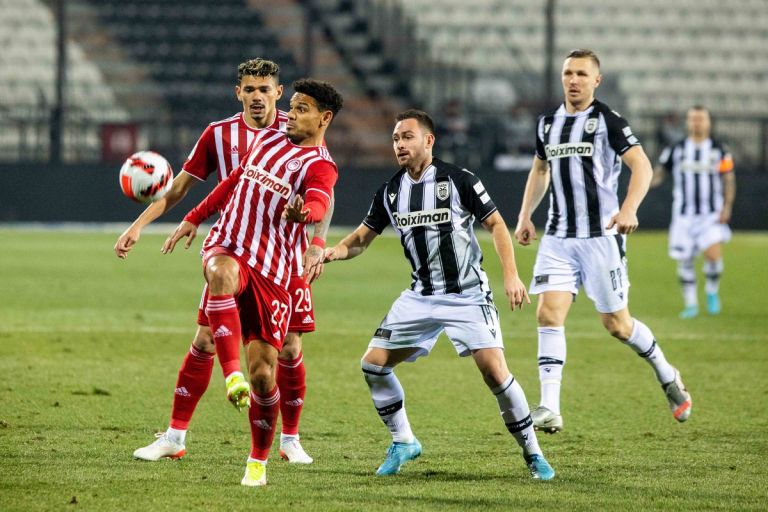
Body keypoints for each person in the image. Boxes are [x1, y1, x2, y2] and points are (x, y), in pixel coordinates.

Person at [118, 59, 331, 465]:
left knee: (289, 348)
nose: (257, 96)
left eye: (264, 89)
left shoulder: (297, 126)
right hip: (234, 249)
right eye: (249, 89)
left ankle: (290, 439)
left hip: (284, 257)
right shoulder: (219, 134)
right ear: (239, 93)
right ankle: (175, 436)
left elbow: (323, 187)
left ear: (278, 92)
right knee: (204, 339)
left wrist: (317, 243)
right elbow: (180, 187)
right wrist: (139, 225)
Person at [324, 109, 555, 481]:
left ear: (428, 140)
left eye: (407, 137)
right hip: (421, 296)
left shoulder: (459, 180)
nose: (400, 145)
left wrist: (511, 275)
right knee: (373, 365)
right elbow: (361, 238)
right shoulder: (390, 191)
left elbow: (496, 224)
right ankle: (404, 441)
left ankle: (533, 454)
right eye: (396, 138)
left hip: (467, 294)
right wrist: (334, 251)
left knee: (495, 373)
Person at [161, 78, 343, 486]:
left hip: (274, 271)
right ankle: (231, 376)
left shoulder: (320, 164)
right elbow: (233, 182)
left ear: (324, 119)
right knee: (219, 274)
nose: (290, 115)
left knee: (264, 374)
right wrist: (194, 217)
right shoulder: (268, 137)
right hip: (230, 244)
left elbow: (319, 199)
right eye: (292, 106)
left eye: (302, 109)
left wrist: (306, 216)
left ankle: (258, 460)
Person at [513, 49, 692, 434]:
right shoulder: (548, 124)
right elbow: (540, 169)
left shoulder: (608, 121)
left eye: (581, 74)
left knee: (617, 325)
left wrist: (629, 208)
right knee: (548, 314)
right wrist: (526, 214)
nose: (573, 80)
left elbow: (642, 165)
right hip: (558, 236)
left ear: (597, 80)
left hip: (600, 238)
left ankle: (666, 372)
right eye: (568, 73)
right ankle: (550, 406)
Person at [651, 106, 735, 318]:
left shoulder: (719, 149)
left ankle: (711, 291)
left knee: (713, 256)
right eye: (693, 119)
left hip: (710, 213)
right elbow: (660, 173)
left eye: (701, 118)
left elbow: (728, 179)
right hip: (683, 215)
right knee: (685, 259)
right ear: (687, 123)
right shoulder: (676, 149)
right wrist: (643, 184)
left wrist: (727, 206)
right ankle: (691, 304)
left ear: (708, 122)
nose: (697, 122)